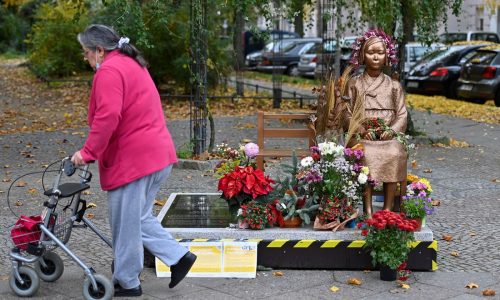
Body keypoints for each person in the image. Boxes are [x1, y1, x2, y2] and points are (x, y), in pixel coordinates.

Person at [72, 24, 196, 297]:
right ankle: (178, 257)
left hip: (134, 159)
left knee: (126, 223)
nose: (85, 58)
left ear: (100, 50)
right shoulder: (129, 63)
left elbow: (108, 117)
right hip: (155, 154)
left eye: (86, 52)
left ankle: (128, 282)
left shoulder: (109, 71)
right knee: (138, 218)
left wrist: (87, 152)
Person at [338, 29, 408, 218]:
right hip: (362, 136)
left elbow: (402, 114)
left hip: (387, 137)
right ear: (362, 55)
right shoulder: (354, 83)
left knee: (394, 152)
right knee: (365, 154)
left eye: (380, 53)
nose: (376, 57)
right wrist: (359, 129)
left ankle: (387, 209)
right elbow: (346, 113)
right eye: (371, 52)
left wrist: (392, 131)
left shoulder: (394, 85)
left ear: (387, 56)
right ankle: (367, 210)